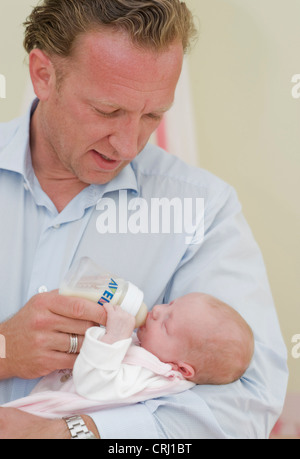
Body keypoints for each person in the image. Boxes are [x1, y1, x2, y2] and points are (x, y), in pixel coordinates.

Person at [0, 0, 288, 439]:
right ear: (43, 74)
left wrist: (74, 434)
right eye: (107, 111)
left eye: (153, 116)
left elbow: (247, 406)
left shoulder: (203, 211)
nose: (130, 145)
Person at [3, 293, 254, 419]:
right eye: (169, 304)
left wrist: (116, 337)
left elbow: (94, 384)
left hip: (46, 418)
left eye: (166, 325)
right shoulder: (154, 352)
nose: (156, 311)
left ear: (182, 369)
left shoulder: (153, 376)